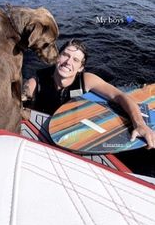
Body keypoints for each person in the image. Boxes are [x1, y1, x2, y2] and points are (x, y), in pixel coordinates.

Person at [22, 39, 155, 149]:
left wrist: (140, 125)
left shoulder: (87, 80)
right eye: (65, 55)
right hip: (45, 130)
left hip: (76, 128)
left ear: (80, 67)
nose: (68, 62)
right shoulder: (34, 84)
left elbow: (120, 97)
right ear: (57, 57)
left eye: (75, 60)